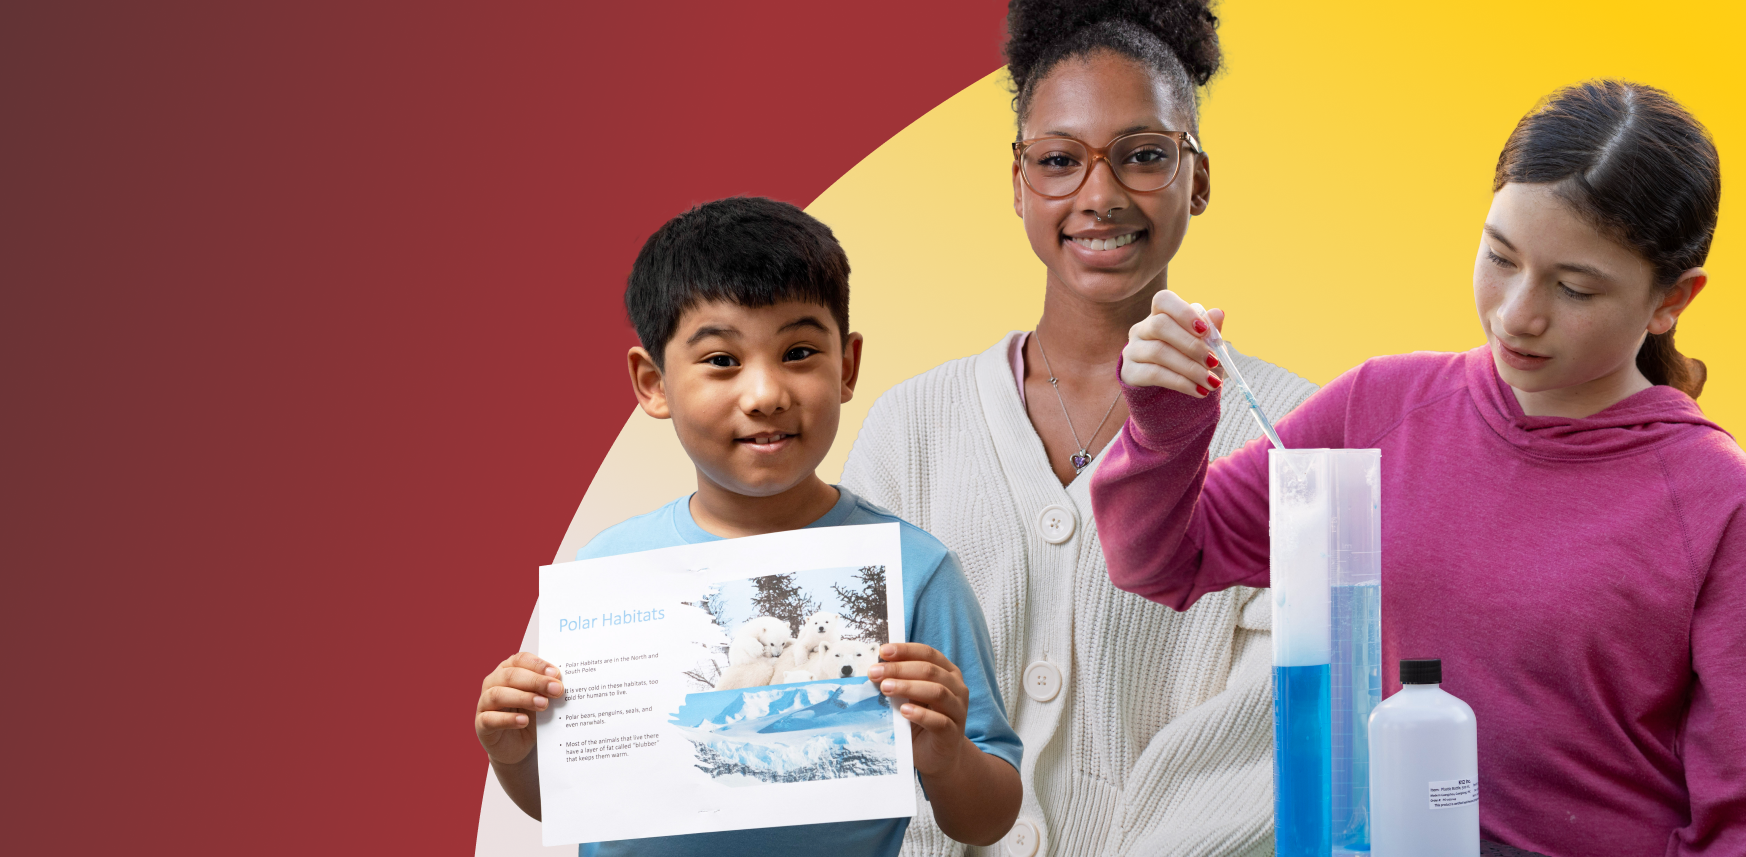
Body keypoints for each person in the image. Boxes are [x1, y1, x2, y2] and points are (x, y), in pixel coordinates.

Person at [1095, 80, 1740, 856]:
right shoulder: (1382, 406)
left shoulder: (1714, 499)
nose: (1517, 313)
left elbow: (1732, 815)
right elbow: (1162, 559)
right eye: (1500, 257)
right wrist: (1166, 427)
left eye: (1573, 288)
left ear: (1673, 298)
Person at [840, 1, 1317, 853]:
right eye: (1060, 160)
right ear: (1018, 182)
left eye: (1142, 157)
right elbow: (855, 708)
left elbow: (1273, 738)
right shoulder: (910, 428)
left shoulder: (1288, 432)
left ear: (1197, 177)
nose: (1099, 196)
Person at [472, 197, 1025, 856]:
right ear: (653, 383)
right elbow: (573, 797)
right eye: (722, 360)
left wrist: (947, 753)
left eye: (797, 351)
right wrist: (514, 752)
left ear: (845, 366)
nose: (765, 393)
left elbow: (987, 818)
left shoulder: (917, 569)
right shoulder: (601, 572)